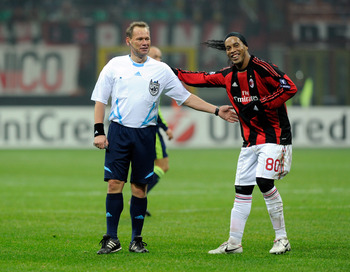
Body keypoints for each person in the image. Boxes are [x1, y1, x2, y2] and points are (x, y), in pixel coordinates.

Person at [91, 21, 238, 255]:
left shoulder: (160, 69)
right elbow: (100, 99)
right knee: (114, 184)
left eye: (147, 38)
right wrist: (99, 131)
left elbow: (186, 97)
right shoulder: (114, 66)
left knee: (140, 188)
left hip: (145, 134)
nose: (145, 42)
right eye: (139, 39)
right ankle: (112, 239)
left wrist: (216, 110)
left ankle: (136, 239)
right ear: (128, 41)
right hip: (119, 132)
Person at [172, 32, 297, 255]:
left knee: (264, 182)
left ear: (246, 46)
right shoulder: (227, 75)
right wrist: (169, 72)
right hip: (249, 141)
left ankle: (282, 239)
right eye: (228, 48)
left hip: (275, 136)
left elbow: (289, 87)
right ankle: (234, 243)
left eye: (236, 45)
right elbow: (199, 78)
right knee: (241, 190)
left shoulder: (262, 68)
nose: (232, 50)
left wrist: (260, 104)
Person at [145, 46, 174, 217]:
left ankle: (139, 197)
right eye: (155, 56)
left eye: (160, 57)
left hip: (146, 129)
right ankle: (138, 196)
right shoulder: (151, 80)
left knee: (151, 167)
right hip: (151, 130)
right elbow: (152, 109)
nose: (159, 60)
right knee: (162, 165)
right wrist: (165, 127)